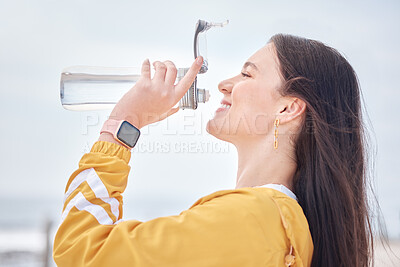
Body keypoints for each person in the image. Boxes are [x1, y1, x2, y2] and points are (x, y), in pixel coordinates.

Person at [53, 34, 373, 267]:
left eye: (247, 74)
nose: (223, 84)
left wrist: (122, 126)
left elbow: (79, 251)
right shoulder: (278, 223)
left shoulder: (253, 219)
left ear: (288, 108)